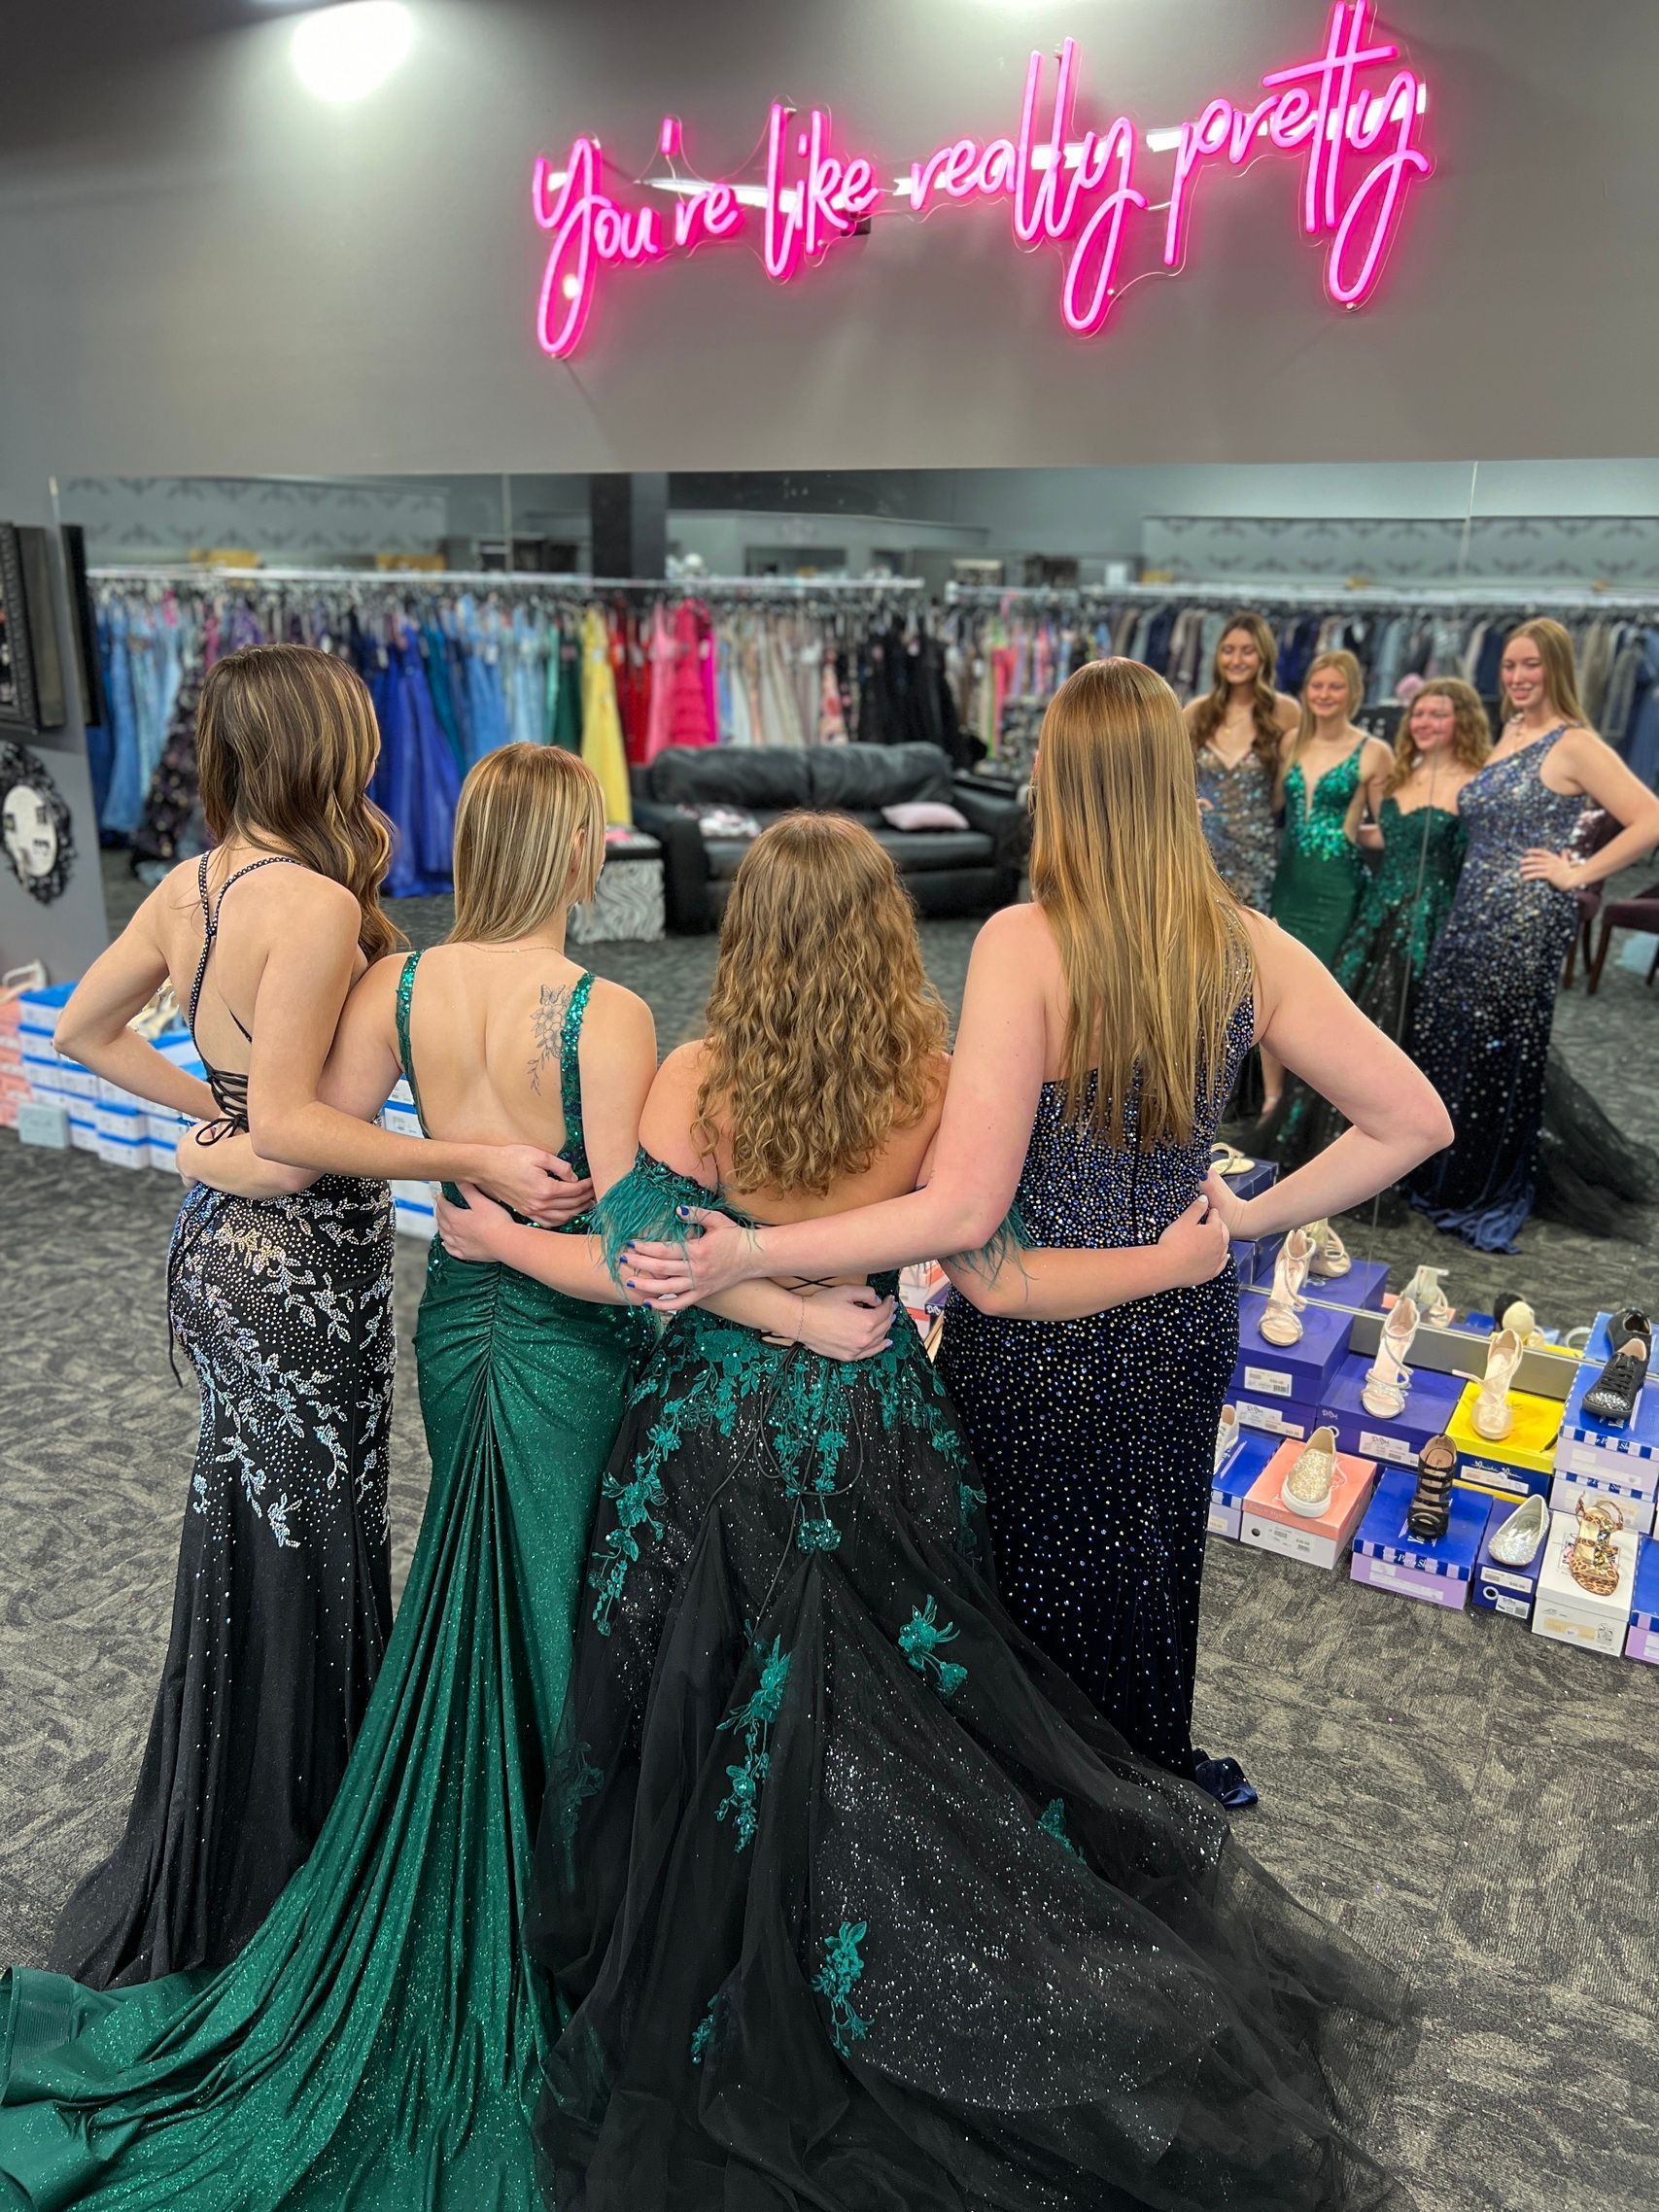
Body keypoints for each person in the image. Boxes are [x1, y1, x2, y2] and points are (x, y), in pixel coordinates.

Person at [0, 747, 889, 2212]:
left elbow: (303, 1141)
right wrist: (788, 1309)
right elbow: (629, 1251)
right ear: (569, 857)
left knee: (482, 1579)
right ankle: (566, 1915)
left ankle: (505, 1865)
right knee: (558, 1604)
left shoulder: (394, 989)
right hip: (562, 1338)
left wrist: (266, 1155)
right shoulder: (603, 1015)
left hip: (458, 1324)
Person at [528, 805, 1423, 2210]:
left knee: (693, 1694)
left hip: (710, 1432)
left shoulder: (692, 1076)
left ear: (745, 938)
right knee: (898, 1701)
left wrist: (763, 1300)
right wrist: (1175, 1262)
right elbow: (989, 1266)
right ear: (894, 938)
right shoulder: (931, 1085)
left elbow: (646, 1256)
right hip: (880, 1422)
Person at [621, 664, 1448, 1772]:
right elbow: (1413, 1119)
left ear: (1064, 782)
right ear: (1171, 785)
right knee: (1152, 1563)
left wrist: (754, 1248)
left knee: (1026, 1605)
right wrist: (1245, 1221)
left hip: (1037, 1341)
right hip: (1179, 1319)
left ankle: (1060, 1829)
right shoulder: (1248, 945)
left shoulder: (1029, 943)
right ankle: (1142, 1773)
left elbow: (966, 1216)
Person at [40, 646, 583, 1992]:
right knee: (312, 1532)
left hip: (219, 1255)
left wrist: (196, 1117)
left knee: (251, 1520)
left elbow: (86, 1035)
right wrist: (466, 1161)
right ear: (322, 748)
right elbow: (290, 1138)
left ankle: (244, 1827)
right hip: (293, 1260)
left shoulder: (193, 881)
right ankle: (287, 1858)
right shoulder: (317, 907)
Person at [1406, 618, 1659, 1251]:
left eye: (1530, 666)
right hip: (1469, 912)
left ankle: (1477, 1184)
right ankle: (1443, 1172)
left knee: (1494, 1052)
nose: (1516, 677)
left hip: (1522, 921)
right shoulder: (1509, 732)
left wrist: (1578, 872)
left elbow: (1648, 817)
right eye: (1509, 666)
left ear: (1556, 670)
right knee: (1452, 1040)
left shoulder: (1573, 743)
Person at [1275, 677, 1490, 1167]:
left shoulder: (1475, 782)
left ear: (1463, 720)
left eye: (1438, 715)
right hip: (1378, 910)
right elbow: (1395, 838)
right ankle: (1332, 1145)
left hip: (1429, 920)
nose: (1425, 723)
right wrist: (1346, 834)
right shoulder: (1404, 773)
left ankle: (1405, 1142)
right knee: (1350, 1028)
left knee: (1403, 1026)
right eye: (1419, 714)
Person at [1269, 649, 1393, 978]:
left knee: (1326, 979)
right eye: (1317, 685)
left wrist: (1352, 836)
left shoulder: (1374, 752)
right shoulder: (1291, 742)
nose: (1324, 695)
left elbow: (1391, 830)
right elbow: (1272, 806)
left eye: (1335, 687)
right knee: (1283, 975)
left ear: (1354, 692)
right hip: (1290, 881)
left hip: (1338, 885)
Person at [1185, 610, 1299, 911]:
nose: (1236, 660)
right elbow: (1171, 774)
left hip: (1256, 851)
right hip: (1199, 850)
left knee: (1252, 943)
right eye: (1228, 651)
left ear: (1263, 656)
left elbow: (1289, 788)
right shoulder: (1196, 712)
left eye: (1247, 651)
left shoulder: (1286, 712)